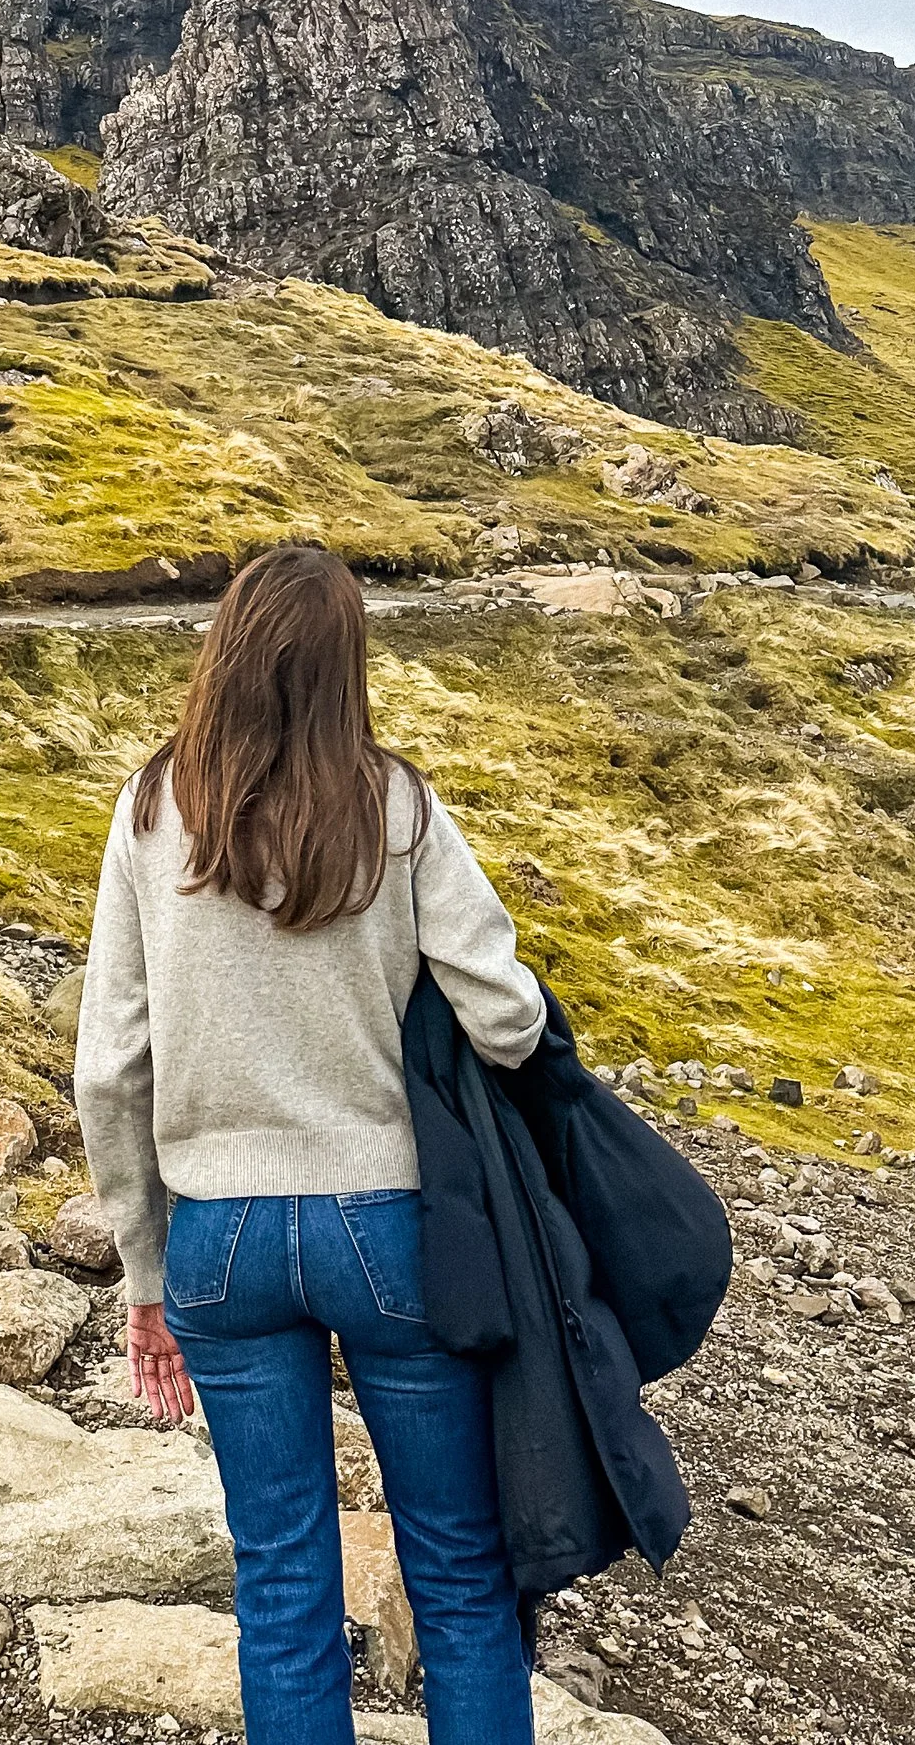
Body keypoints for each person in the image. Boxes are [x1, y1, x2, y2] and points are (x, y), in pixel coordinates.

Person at [74, 541, 545, 1745]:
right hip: (388, 1229)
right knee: (456, 1574)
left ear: (222, 648)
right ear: (347, 664)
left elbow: (108, 1066)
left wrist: (142, 1275)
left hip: (218, 1238)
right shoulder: (397, 807)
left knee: (280, 1582)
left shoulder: (150, 808)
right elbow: (504, 1019)